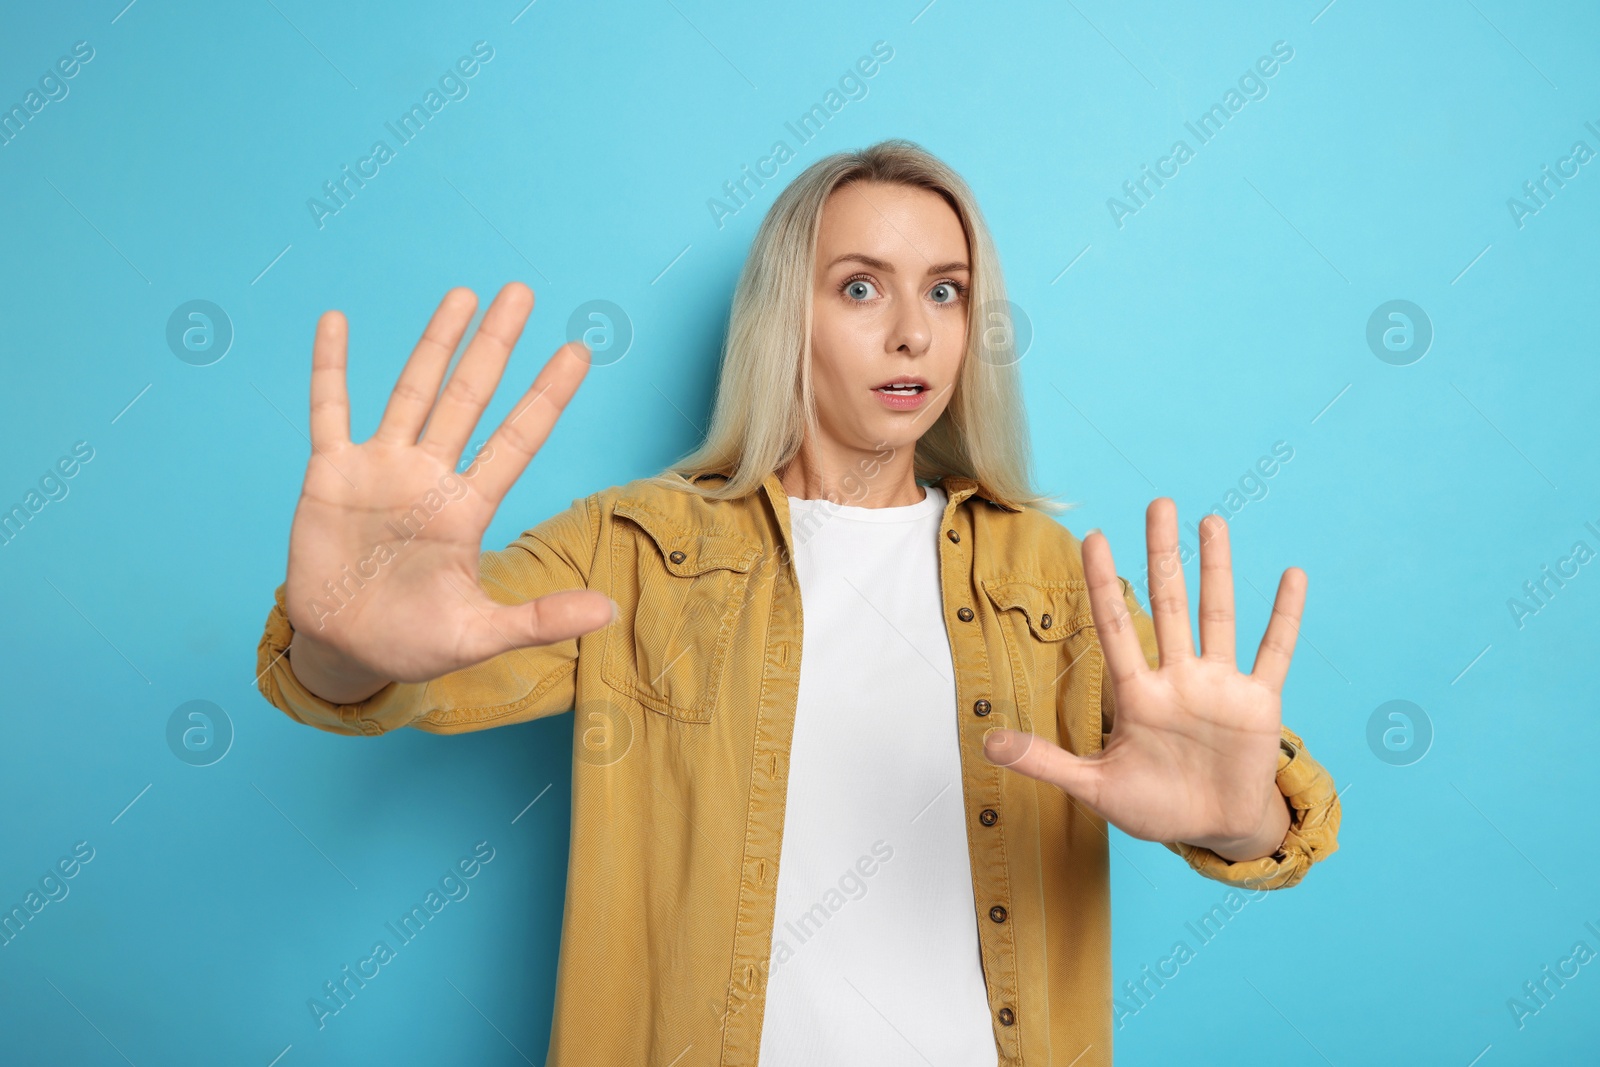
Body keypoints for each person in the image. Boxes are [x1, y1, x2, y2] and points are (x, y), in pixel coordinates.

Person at [255, 139, 1340, 1066]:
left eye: (946, 289)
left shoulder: (1048, 577)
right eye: (860, 286)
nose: (912, 331)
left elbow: (1278, 821)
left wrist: (1239, 812)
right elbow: (378, 678)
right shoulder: (637, 545)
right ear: (788, 314)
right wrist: (347, 631)